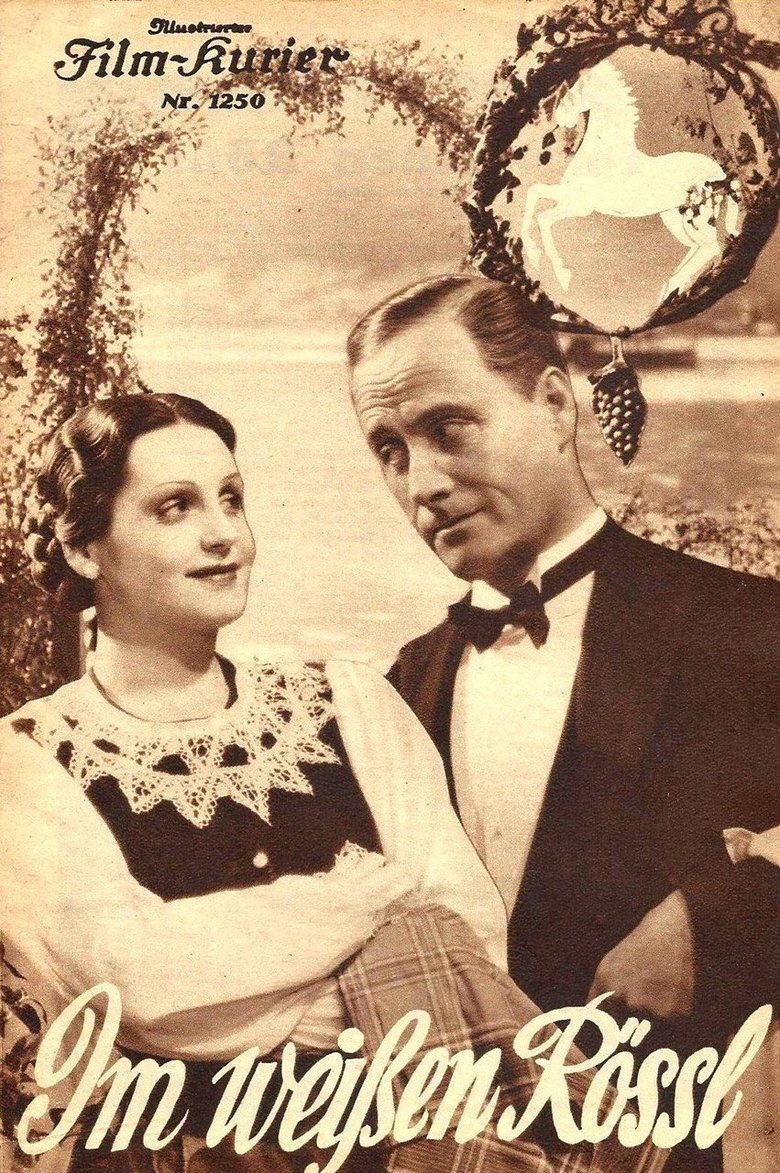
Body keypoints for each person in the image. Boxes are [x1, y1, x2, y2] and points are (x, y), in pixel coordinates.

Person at [0, 393, 660, 1173]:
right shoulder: (26, 759)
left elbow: (466, 940)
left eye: (232, 498)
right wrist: (360, 913)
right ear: (85, 548)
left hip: (422, 1137)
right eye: (175, 506)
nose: (224, 534)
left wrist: (262, 974)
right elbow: (139, 987)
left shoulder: (350, 703)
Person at [347, 273, 780, 1173]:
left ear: (552, 404)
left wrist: (714, 917)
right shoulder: (395, 692)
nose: (423, 482)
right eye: (389, 449)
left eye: (448, 428)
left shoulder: (745, 624)